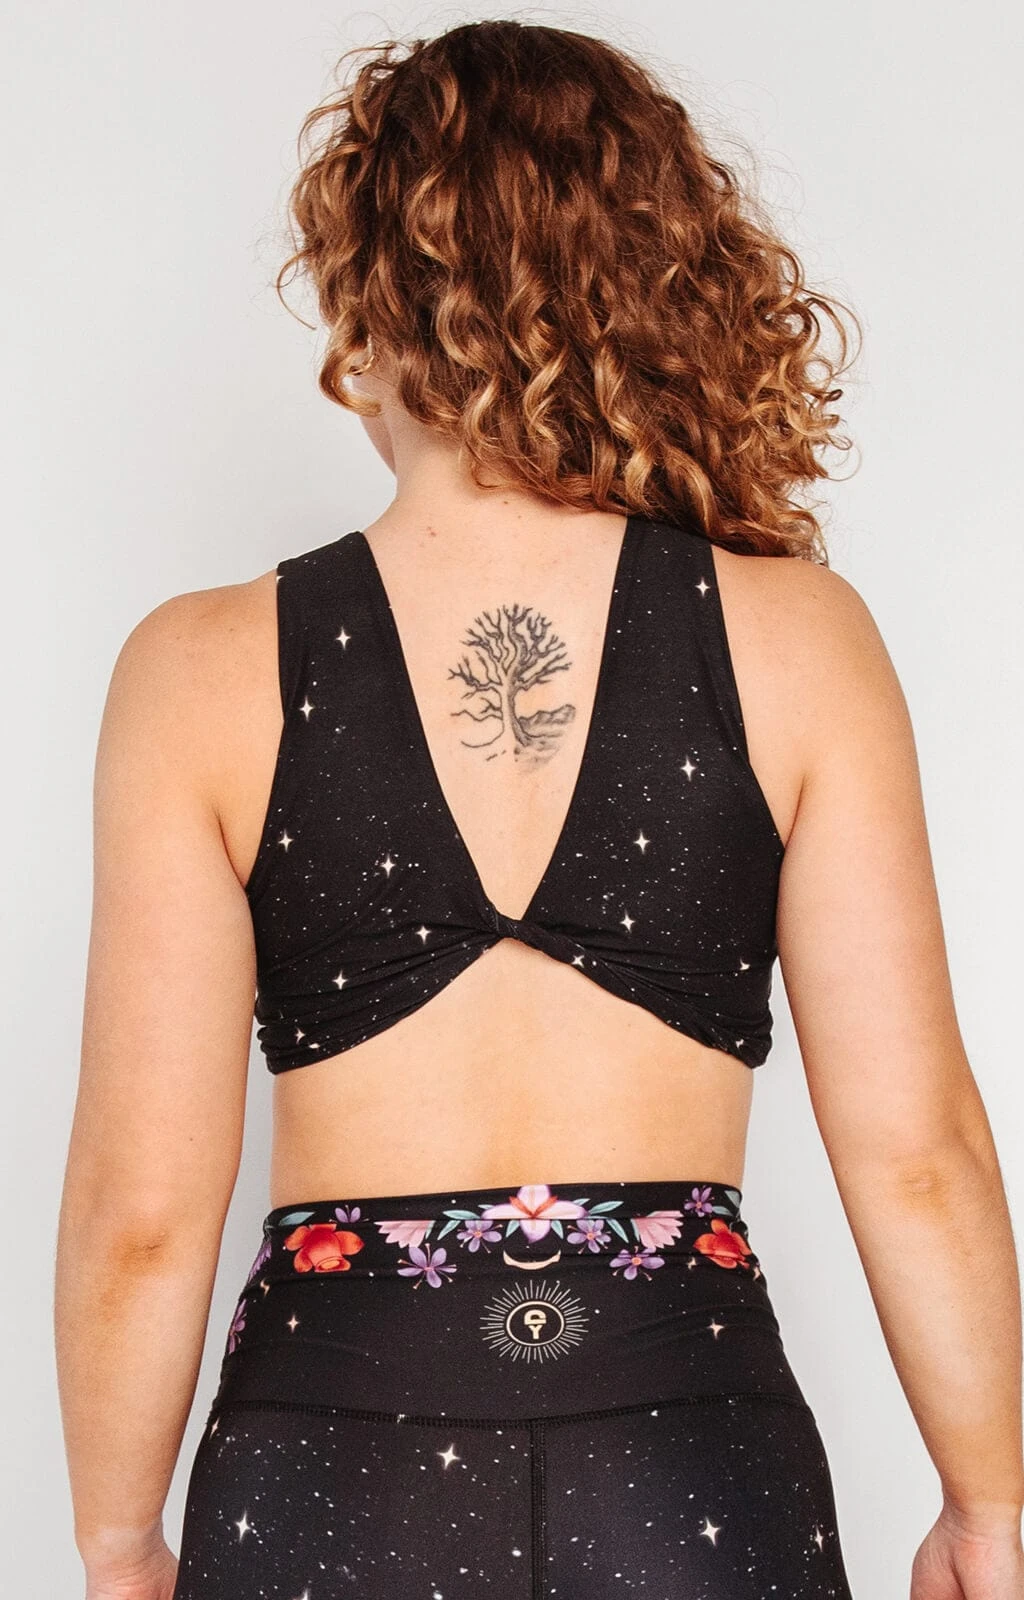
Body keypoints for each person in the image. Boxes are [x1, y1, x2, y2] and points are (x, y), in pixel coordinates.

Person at [54, 19, 1024, 1600]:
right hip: (690, 1468)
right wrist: (991, 1508)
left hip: (326, 1472)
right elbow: (917, 1154)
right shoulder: (798, 644)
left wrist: (116, 1547)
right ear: (659, 294)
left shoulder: (197, 675)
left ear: (370, 313)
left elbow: (143, 1213)